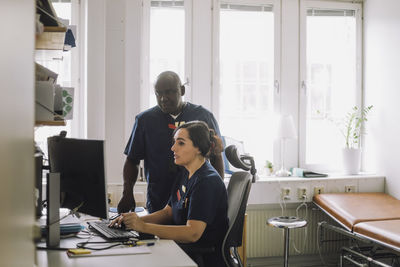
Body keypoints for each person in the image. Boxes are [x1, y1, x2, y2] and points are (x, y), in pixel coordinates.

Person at [111, 121, 229, 266]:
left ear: (198, 148)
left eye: (180, 143)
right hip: (182, 249)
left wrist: (142, 226)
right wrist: (133, 221)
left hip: (201, 258)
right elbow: (168, 212)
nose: (173, 148)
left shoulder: (207, 181)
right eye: (174, 142)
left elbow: (193, 233)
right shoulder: (186, 173)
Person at [118, 71, 224, 214]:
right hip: (158, 200)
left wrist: (218, 193)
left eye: (169, 92)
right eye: (158, 93)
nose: (163, 98)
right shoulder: (145, 120)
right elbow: (132, 160)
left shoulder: (203, 116)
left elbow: (216, 157)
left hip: (195, 198)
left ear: (182, 90)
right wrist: (127, 192)